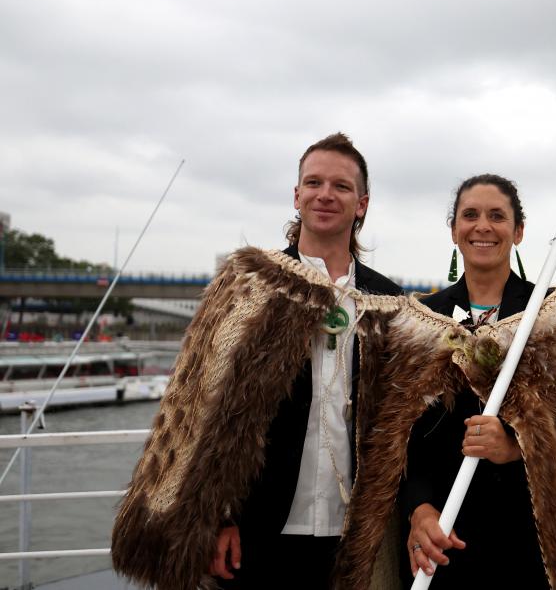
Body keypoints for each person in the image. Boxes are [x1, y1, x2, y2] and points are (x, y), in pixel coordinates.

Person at [111, 133, 402, 590]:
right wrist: (219, 516)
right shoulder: (251, 283)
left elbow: (397, 418)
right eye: (314, 182)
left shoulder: (388, 300)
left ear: (361, 204)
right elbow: (201, 406)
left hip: (352, 529)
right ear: (297, 196)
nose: (326, 194)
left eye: (341, 186)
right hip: (258, 525)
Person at [331, 175, 556, 589]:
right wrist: (418, 510)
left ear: (519, 231)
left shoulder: (551, 316)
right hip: (442, 543)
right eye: (470, 215)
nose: (483, 226)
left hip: (530, 543)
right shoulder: (420, 319)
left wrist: (518, 444)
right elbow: (400, 440)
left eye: (497, 216)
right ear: (454, 229)